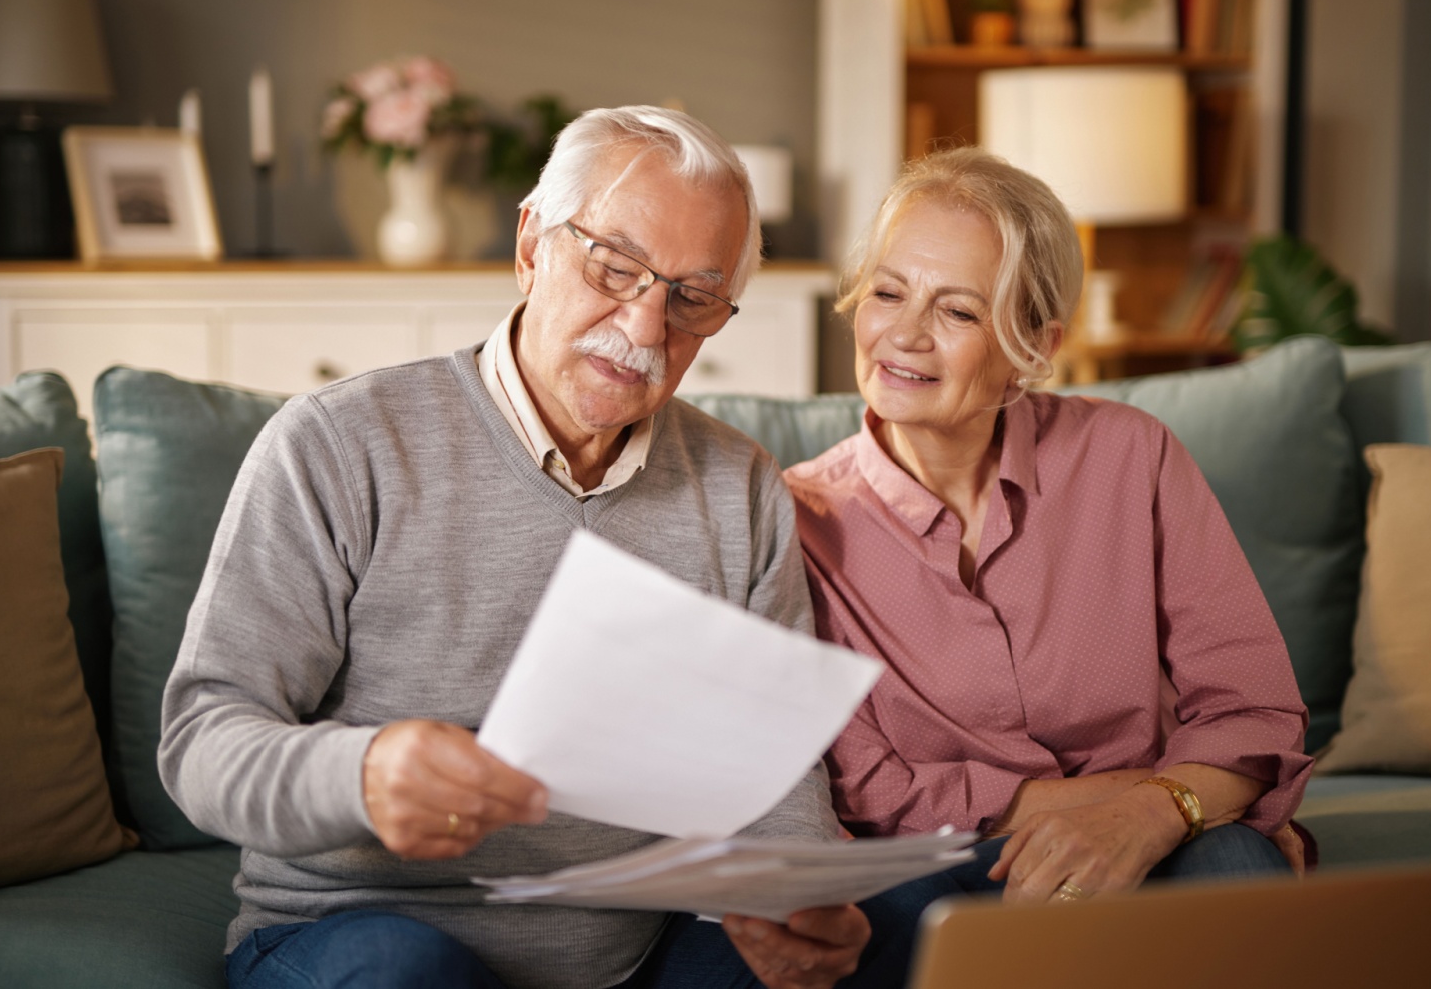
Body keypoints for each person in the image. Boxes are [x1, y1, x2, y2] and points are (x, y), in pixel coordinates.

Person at [159, 106, 878, 989]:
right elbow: (200, 740)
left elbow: (772, 764)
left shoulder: (740, 486)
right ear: (533, 243)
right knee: (403, 971)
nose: (647, 328)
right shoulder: (337, 443)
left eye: (692, 298)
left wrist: (794, 900)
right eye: (616, 266)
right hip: (356, 935)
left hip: (632, 949)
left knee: (887, 943)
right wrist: (362, 771)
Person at [784, 147, 1313, 934]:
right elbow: (870, 791)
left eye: (957, 311)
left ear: (1033, 349)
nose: (904, 334)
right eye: (887, 293)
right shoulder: (798, 521)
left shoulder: (1132, 457)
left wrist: (1154, 819)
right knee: (875, 930)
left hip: (1163, 844)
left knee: (1235, 869)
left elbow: (1254, 712)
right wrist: (1160, 794)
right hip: (936, 867)